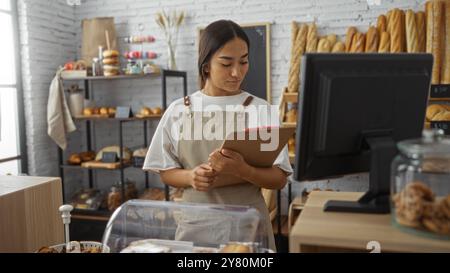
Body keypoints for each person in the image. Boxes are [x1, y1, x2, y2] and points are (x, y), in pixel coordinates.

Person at [143, 19, 292, 251]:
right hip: (196, 225)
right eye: (226, 63)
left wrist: (244, 170)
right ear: (206, 65)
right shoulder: (178, 111)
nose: (237, 72)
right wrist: (191, 176)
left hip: (249, 227)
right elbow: (166, 172)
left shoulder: (260, 110)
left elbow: (280, 178)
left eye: (243, 62)